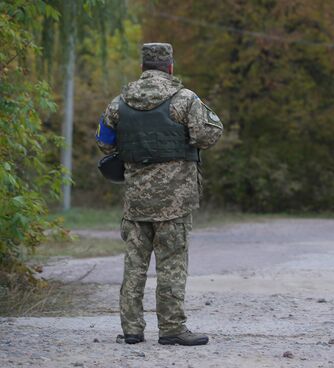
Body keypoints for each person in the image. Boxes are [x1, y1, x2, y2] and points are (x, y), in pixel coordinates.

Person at [95, 43, 223, 346]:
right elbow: (209, 134)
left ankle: (132, 330)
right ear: (170, 67)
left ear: (143, 68)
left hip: (136, 200)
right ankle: (171, 329)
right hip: (176, 201)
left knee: (134, 265)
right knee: (172, 265)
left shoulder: (118, 103)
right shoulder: (186, 99)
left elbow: (104, 142)